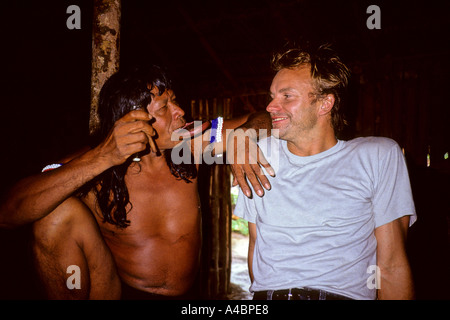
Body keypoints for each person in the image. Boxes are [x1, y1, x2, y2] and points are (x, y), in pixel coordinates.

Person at [0, 66, 273, 299]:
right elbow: (8, 213)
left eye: (174, 100)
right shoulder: (93, 164)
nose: (180, 111)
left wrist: (245, 138)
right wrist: (103, 157)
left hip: (191, 297)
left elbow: (267, 118)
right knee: (54, 216)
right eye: (165, 106)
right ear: (132, 118)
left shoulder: (189, 143)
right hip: (117, 291)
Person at [234, 43, 417, 300]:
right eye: (272, 96)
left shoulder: (377, 155)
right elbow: (256, 249)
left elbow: (390, 265)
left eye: (287, 96)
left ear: (324, 103)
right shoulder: (257, 156)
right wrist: (239, 135)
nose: (271, 106)